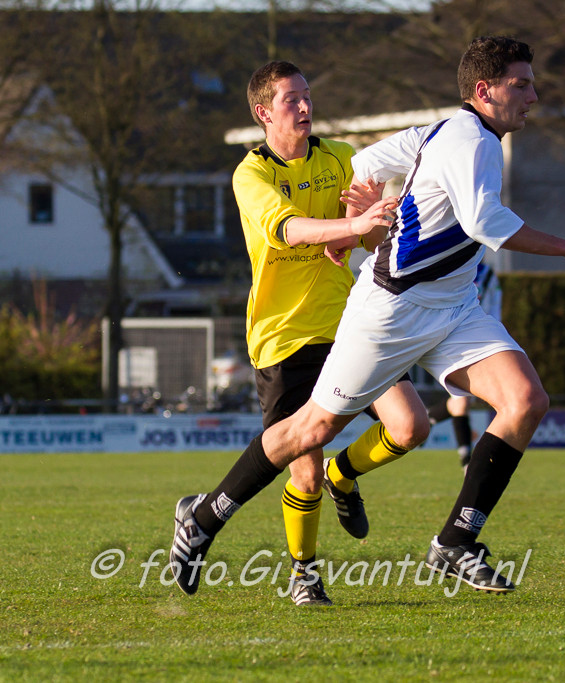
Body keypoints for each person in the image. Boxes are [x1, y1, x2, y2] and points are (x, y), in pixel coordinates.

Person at [170, 35, 565, 597]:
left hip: (454, 306)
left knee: (525, 400)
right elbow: (485, 223)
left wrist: (361, 204)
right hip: (390, 311)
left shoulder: (443, 131)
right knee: (312, 431)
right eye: (522, 85)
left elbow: (365, 162)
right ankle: (204, 517)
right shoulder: (472, 143)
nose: (533, 96)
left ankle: (456, 540)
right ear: (485, 91)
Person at [204, 60, 430, 606]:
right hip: (282, 336)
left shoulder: (342, 157)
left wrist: (371, 222)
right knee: (302, 471)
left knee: (411, 426)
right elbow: (288, 229)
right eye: (292, 100)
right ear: (264, 113)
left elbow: (366, 235)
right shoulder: (250, 174)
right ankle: (303, 574)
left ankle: (344, 474)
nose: (305, 107)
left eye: (307, 95)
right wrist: (352, 226)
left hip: (347, 322)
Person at [427, 260, 502, 473]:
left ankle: (428, 418)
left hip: (480, 339)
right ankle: (467, 460)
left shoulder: (488, 274)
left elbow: (495, 307)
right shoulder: (448, 263)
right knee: (461, 401)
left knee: (460, 401)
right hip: (451, 339)